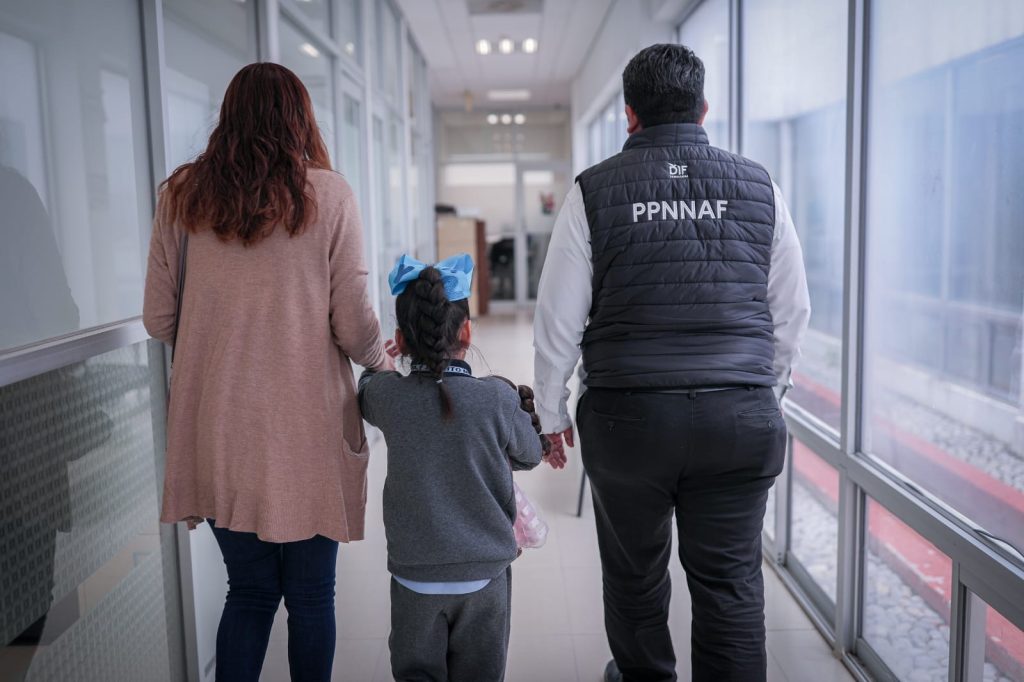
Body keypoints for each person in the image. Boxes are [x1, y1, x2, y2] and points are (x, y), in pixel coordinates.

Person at [534, 44, 811, 682]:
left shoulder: (592, 192)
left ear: (629, 115)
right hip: (738, 421)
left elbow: (558, 321)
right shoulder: (760, 186)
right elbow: (792, 311)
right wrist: (761, 394)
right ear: (704, 109)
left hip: (629, 422)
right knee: (730, 584)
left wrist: (551, 414)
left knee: (634, 575)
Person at [143, 63, 390, 682]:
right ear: (300, 119)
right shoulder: (329, 194)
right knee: (311, 596)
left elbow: (158, 317)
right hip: (309, 426)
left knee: (248, 592)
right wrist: (384, 363)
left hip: (219, 428)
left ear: (228, 117)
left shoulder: (182, 197)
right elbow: (352, 323)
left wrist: (219, 339)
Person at [358, 254, 548, 682]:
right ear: (466, 332)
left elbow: (366, 388)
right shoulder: (496, 399)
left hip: (414, 577)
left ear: (401, 339)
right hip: (484, 576)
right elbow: (531, 454)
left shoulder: (389, 397)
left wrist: (384, 361)